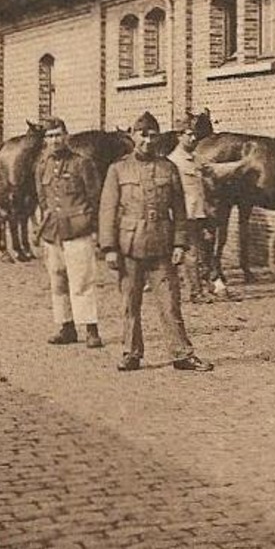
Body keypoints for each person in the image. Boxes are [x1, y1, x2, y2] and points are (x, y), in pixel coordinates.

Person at [99, 112, 213, 372]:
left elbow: (180, 211)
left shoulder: (168, 168)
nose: (148, 140)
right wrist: (109, 249)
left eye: (152, 135)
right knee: (130, 303)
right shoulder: (117, 169)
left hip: (162, 246)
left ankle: (181, 354)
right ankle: (131, 353)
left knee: (170, 304)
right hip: (129, 246)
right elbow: (107, 211)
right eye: (142, 135)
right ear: (133, 136)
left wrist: (179, 244)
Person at [35, 118, 104, 349]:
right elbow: (43, 199)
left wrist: (93, 228)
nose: (54, 140)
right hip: (53, 232)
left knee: (82, 280)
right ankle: (66, 326)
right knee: (58, 281)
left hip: (78, 229)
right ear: (45, 140)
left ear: (66, 136)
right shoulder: (42, 165)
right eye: (49, 136)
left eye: (58, 135)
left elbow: (95, 197)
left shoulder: (82, 164)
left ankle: (91, 327)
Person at [164, 125, 227, 303]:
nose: (194, 139)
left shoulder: (196, 158)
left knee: (200, 252)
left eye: (195, 135)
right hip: (185, 215)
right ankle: (195, 293)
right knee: (191, 254)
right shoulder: (173, 162)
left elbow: (213, 170)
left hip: (199, 213)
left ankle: (204, 287)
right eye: (189, 135)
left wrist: (242, 164)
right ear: (179, 136)